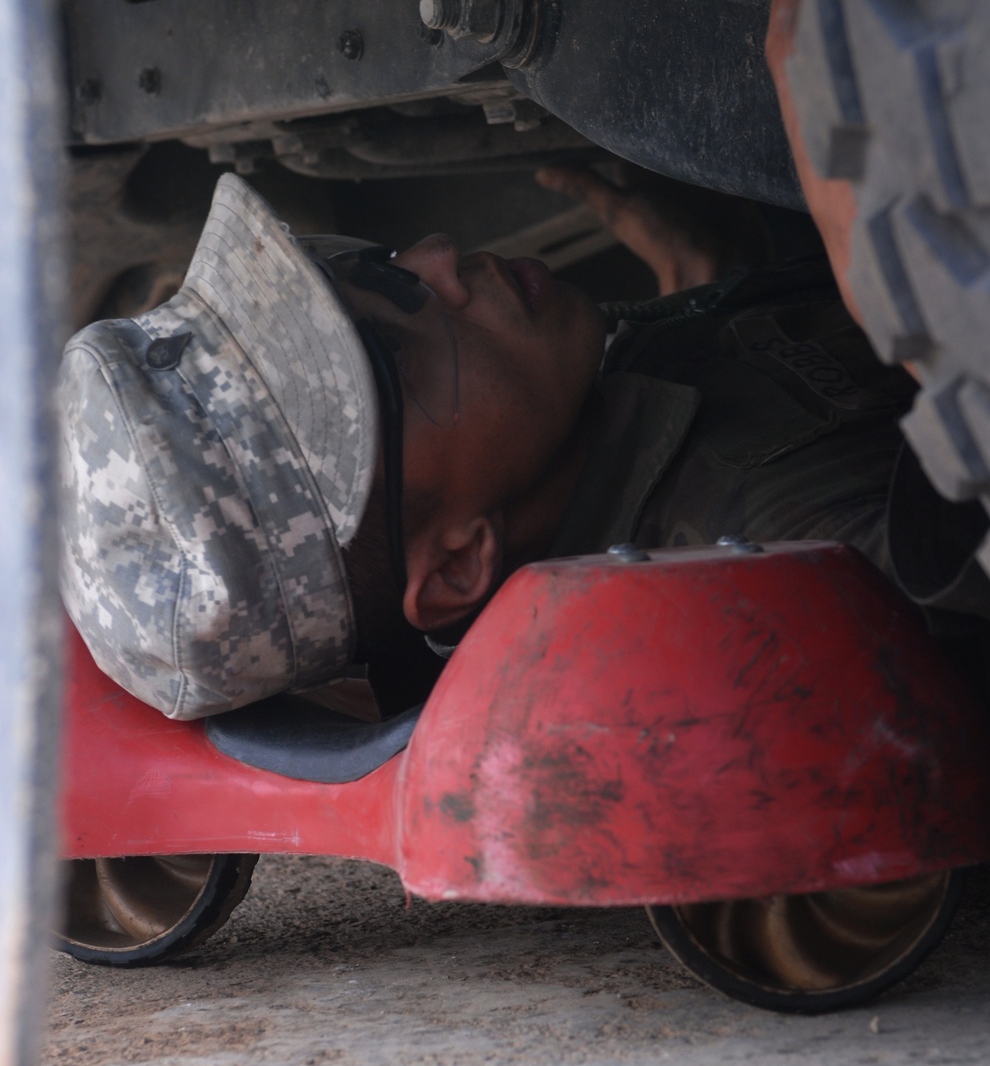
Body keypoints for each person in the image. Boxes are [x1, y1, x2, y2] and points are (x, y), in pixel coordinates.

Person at [59, 155, 917, 721]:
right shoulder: (803, 557)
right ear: (462, 564)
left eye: (367, 269)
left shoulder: (594, 416)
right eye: (396, 353)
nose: (436, 260)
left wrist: (707, 278)